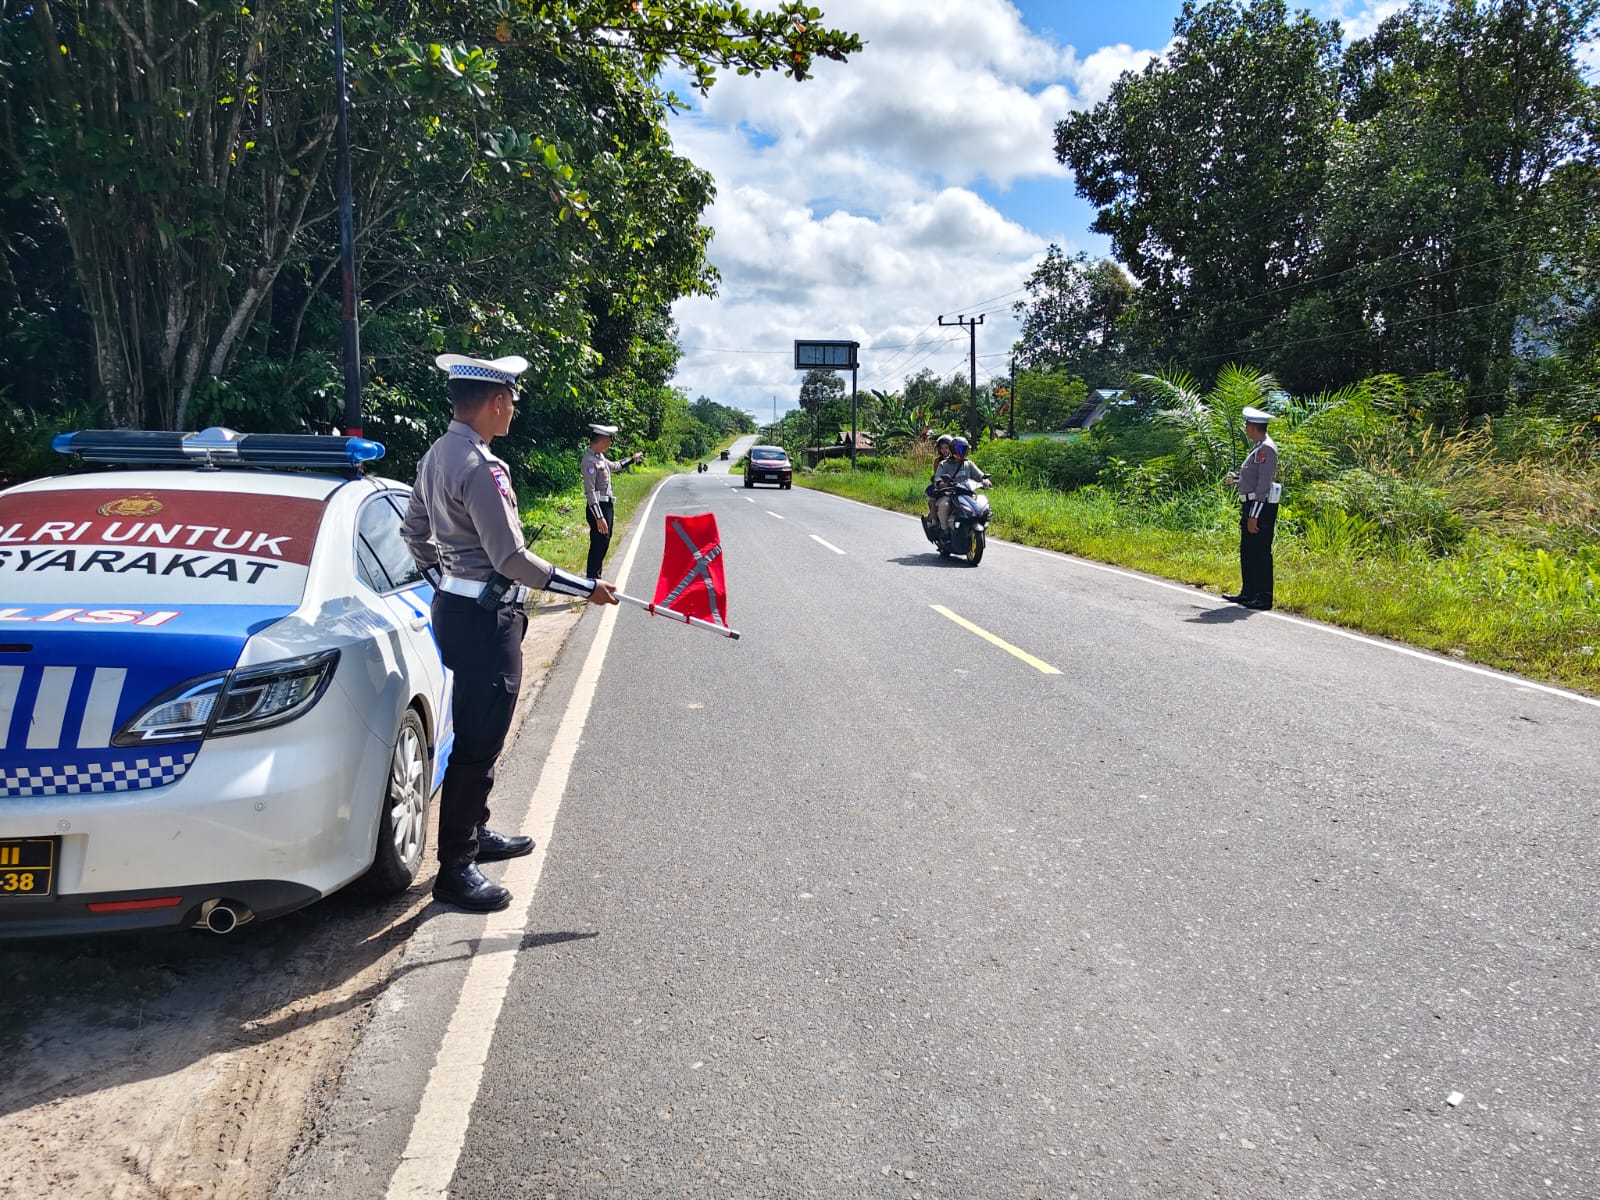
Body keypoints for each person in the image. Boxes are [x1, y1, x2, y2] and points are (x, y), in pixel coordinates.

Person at [402, 353, 620, 913]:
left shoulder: (436, 454)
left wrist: (446, 579)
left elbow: (415, 531)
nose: (515, 409)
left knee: (478, 730)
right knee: (479, 743)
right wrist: (584, 587)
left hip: (457, 611)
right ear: (496, 401)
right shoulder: (480, 466)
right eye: (512, 400)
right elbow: (511, 557)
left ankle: (475, 835)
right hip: (485, 622)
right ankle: (455, 867)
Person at [1223, 406, 1281, 611]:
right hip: (1250, 503)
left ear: (1254, 427)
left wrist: (1254, 515)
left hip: (1261, 507)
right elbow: (1253, 477)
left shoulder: (1267, 450)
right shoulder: (1258, 446)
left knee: (1260, 552)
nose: (1245, 427)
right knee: (1248, 550)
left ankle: (1263, 596)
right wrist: (1237, 479)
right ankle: (1248, 592)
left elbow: (1263, 486)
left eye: (1247, 424)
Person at [582, 424, 644, 579]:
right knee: (598, 544)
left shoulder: (599, 457)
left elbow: (615, 466)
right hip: (598, 508)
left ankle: (596, 577)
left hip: (607, 505)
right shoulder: (589, 461)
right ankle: (592, 580)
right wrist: (599, 517)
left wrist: (632, 459)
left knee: (604, 542)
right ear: (602, 440)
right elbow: (590, 493)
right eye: (609, 440)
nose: (610, 443)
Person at [935, 436, 989, 531]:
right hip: (951, 494)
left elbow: (980, 475)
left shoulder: (969, 463)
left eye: (964, 449)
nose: (961, 452)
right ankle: (945, 530)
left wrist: (985, 481)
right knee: (944, 505)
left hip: (968, 493)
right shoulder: (944, 464)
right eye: (959, 449)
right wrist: (941, 483)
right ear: (953, 450)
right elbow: (938, 477)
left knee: (981, 505)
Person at [924, 434, 954, 526]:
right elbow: (937, 475)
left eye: (946, 447)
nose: (944, 450)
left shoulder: (957, 459)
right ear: (939, 450)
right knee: (933, 500)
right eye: (942, 448)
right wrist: (940, 483)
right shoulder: (938, 461)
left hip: (956, 486)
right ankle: (933, 521)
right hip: (943, 487)